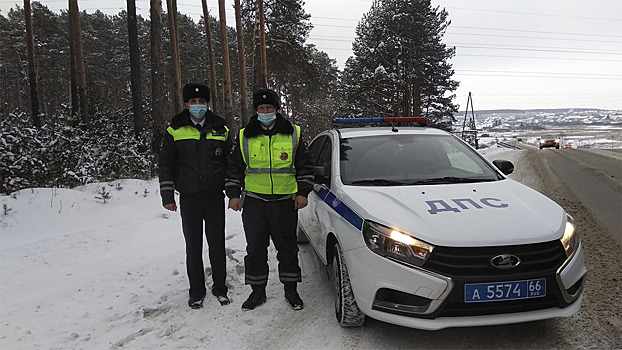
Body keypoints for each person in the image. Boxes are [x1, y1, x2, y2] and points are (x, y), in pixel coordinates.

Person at [225, 88, 314, 311]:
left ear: (276, 109)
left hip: (285, 202)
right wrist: (234, 195)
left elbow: (305, 166)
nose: (265, 111)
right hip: (254, 202)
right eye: (261, 108)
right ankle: (257, 292)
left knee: (287, 248)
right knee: (255, 249)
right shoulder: (245, 135)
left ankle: (291, 290)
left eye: (269, 108)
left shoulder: (293, 133)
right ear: (256, 111)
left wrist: (303, 192)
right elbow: (235, 168)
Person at [159, 82, 232, 309]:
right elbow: (166, 164)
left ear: (207, 104)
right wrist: (168, 197)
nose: (198, 106)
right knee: (193, 245)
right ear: (186, 104)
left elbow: (230, 165)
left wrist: (233, 193)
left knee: (217, 244)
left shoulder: (221, 129)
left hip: (214, 197)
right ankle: (196, 291)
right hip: (189, 198)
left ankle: (220, 288)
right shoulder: (175, 130)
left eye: (201, 102)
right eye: (193, 102)